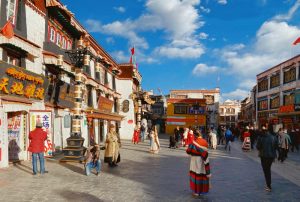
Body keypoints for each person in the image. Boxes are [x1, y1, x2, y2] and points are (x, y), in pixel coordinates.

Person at [186, 130, 211, 197]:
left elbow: (188, 151)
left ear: (195, 135)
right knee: (201, 176)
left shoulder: (193, 142)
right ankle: (201, 191)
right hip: (202, 160)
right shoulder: (205, 142)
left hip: (194, 161)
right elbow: (205, 152)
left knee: (195, 176)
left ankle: (196, 192)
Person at [256, 125, 278, 192]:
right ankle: (268, 185)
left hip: (263, 155)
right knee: (267, 169)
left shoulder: (261, 137)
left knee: (266, 170)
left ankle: (268, 185)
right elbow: (276, 147)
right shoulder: (274, 137)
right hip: (271, 156)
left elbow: (258, 147)